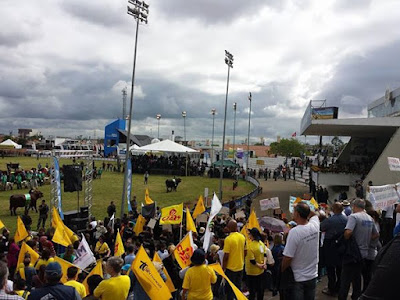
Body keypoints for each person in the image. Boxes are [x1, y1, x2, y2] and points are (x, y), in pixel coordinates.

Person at [338, 199, 379, 300]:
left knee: (345, 281)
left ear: (354, 206)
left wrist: (350, 241)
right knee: (357, 279)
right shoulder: (370, 218)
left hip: (352, 254)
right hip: (364, 254)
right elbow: (376, 234)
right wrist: (365, 239)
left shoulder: (354, 217)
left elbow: (348, 233)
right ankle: (356, 297)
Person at [282, 202, 320, 300]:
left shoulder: (294, 232)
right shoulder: (315, 225)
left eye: (294, 211)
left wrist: (282, 270)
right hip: (312, 275)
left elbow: (288, 257)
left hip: (298, 278)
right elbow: (315, 215)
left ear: (297, 214)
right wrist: (305, 209)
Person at [320, 203, 347, 296]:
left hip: (330, 245)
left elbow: (321, 227)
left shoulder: (330, 220)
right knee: (340, 268)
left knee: (330, 268)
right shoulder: (346, 219)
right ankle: (338, 287)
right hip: (341, 244)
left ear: (334, 209)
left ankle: (331, 288)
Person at [222, 220, 246, 299]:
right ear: (236, 227)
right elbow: (245, 251)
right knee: (238, 288)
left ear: (228, 228)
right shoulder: (242, 237)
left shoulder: (228, 239)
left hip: (230, 268)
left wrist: (223, 268)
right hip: (240, 266)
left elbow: (226, 256)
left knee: (230, 290)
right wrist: (241, 258)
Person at [245, 228, 267, 300]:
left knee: (252, 291)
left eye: (249, 234)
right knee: (260, 290)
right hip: (261, 271)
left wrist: (259, 265)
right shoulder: (261, 243)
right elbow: (265, 254)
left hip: (252, 272)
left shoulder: (250, 246)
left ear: (252, 235)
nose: (248, 235)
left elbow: (252, 260)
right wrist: (264, 264)